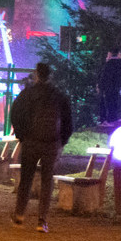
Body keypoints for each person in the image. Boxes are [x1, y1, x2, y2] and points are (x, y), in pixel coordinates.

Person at [8, 63, 73, 230]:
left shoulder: (28, 94)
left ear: (37, 74)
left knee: (26, 179)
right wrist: (61, 140)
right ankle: (42, 220)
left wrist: (22, 136)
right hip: (51, 143)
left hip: (30, 141)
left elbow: (15, 114)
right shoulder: (58, 96)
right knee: (47, 181)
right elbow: (68, 121)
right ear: (50, 76)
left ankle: (19, 215)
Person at [97, 51, 121, 125]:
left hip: (108, 88)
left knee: (108, 104)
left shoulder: (108, 64)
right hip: (115, 88)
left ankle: (109, 120)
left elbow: (104, 77)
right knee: (114, 104)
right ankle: (113, 119)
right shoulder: (119, 64)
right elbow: (120, 77)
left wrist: (100, 86)